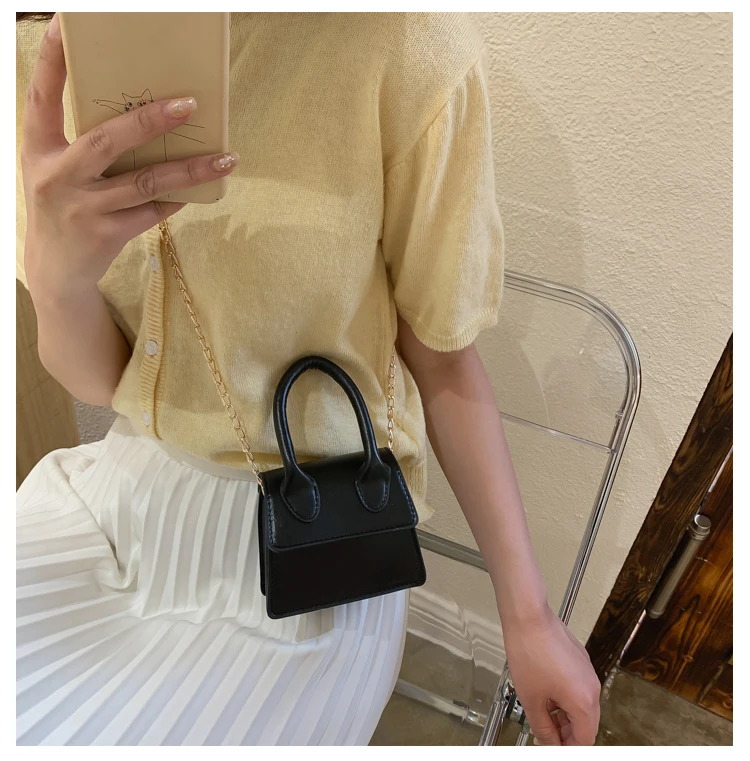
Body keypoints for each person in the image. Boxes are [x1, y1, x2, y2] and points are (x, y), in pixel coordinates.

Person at [16, 12, 601, 746]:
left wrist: (529, 617)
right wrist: (57, 280)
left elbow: (444, 360)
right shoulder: (48, 47)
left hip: (325, 545)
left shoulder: (402, 44)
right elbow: (103, 381)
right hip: (116, 504)